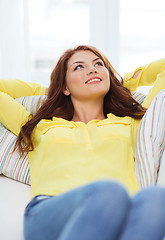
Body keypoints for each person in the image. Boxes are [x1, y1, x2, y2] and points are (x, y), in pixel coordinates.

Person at [0, 45, 165, 240]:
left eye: (98, 64)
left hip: (120, 214)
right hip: (51, 211)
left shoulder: (131, 122)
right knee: (109, 192)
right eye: (79, 67)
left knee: (157, 199)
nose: (92, 69)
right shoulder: (39, 127)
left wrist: (119, 82)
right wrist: (50, 90)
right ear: (65, 87)